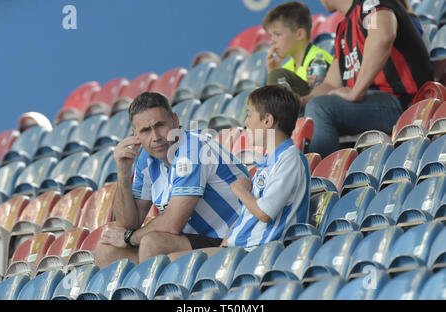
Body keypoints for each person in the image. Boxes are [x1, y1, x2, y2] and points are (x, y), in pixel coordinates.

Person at [94, 92, 249, 268]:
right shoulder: (146, 157)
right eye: (145, 131)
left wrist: (129, 238)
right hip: (196, 241)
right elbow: (128, 224)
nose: (155, 137)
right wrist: (123, 173)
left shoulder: (192, 148)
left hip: (235, 238)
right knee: (106, 249)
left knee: (153, 243)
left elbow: (172, 224)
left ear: (174, 121)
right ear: (135, 134)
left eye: (160, 125)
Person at [168, 85, 311, 261]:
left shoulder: (290, 158)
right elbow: (249, 214)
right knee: (169, 261)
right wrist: (223, 247)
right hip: (240, 249)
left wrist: (241, 191)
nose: (246, 122)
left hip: (260, 252)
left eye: (250, 114)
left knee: (174, 263)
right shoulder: (268, 161)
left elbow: (265, 213)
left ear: (267, 120)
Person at [301, 0, 434, 158]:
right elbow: (330, 84)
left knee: (319, 108)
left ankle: (323, 179)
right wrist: (301, 102)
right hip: (372, 106)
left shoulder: (371, 4)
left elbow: (383, 36)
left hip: (402, 102)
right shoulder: (344, 27)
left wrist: (355, 92)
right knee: (303, 112)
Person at [263, 1, 334, 97]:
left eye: (277, 34)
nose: (272, 41)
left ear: (299, 34)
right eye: (271, 36)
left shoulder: (319, 61)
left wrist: (274, 74)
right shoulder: (286, 67)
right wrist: (272, 70)